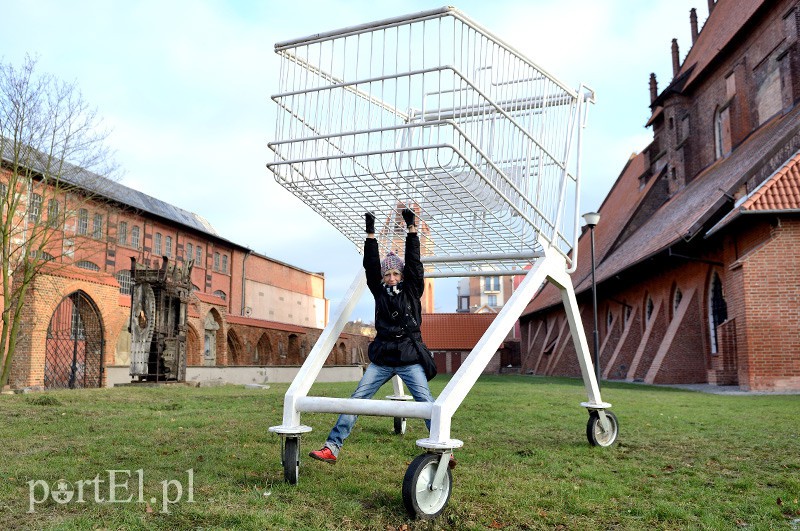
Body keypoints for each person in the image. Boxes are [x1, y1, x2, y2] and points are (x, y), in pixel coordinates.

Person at [309, 208, 438, 465]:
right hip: (383, 358)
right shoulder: (379, 292)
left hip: (409, 358)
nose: (391, 278)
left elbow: (414, 263)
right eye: (387, 274)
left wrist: (412, 230)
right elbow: (370, 266)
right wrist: (370, 234)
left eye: (395, 273)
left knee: (426, 402)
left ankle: (442, 446)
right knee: (357, 400)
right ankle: (332, 447)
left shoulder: (412, 291)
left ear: (402, 275)